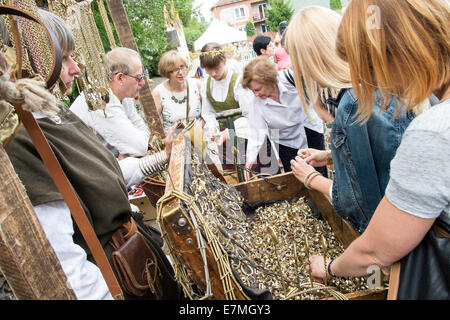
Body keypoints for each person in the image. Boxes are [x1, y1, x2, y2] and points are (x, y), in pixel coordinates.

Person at [6, 8, 177, 300]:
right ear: (36, 60)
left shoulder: (53, 114)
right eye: (65, 58)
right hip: (111, 275)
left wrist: (162, 158)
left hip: (131, 250)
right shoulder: (23, 137)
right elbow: (62, 258)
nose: (76, 68)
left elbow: (104, 176)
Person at [305, 0, 449, 300]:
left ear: (394, 51)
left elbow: (375, 249)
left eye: (370, 66)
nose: (376, 81)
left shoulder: (433, 132)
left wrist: (330, 267)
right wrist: (332, 156)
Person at [285, 6, 415, 233]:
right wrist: (331, 156)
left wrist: (312, 179)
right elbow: (383, 159)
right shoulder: (379, 84)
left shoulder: (355, 104)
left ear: (311, 55)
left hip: (395, 234)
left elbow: (361, 204)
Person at [241, 56, 324, 178]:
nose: (256, 94)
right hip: (287, 143)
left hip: (310, 130)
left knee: (319, 173)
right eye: (253, 91)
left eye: (258, 89)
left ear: (269, 80)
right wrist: (249, 162)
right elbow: (256, 133)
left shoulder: (291, 78)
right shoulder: (256, 102)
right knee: (297, 178)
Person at [70, 47, 150, 158]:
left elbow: (143, 130)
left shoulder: (124, 95)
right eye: (139, 77)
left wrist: (131, 146)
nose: (143, 82)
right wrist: (132, 144)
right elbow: (140, 147)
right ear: (120, 78)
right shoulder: (101, 100)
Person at [199, 42, 254, 169]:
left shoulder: (238, 82)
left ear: (224, 60)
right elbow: (208, 113)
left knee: (254, 175)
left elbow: (251, 115)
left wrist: (230, 133)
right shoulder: (207, 84)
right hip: (223, 139)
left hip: (246, 134)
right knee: (233, 176)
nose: (213, 73)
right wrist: (212, 128)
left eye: (216, 68)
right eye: (208, 69)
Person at [152, 50, 203, 132]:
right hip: (175, 141)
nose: (180, 72)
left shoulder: (197, 85)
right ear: (166, 71)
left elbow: (208, 113)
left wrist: (196, 130)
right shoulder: (158, 92)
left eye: (182, 67)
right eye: (175, 69)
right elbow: (154, 124)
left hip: (199, 138)